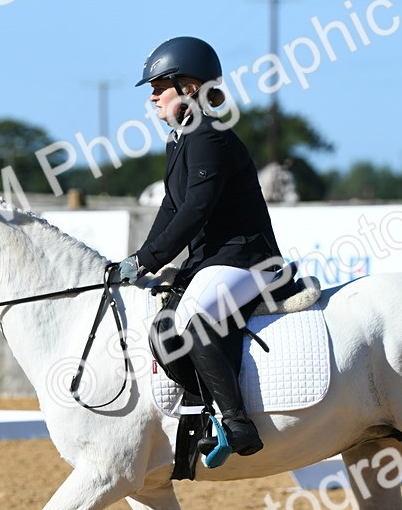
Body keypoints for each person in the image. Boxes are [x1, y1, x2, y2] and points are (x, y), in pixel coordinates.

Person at [119, 36, 283, 458]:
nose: (153, 96)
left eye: (161, 86)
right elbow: (171, 206)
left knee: (193, 318)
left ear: (189, 88)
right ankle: (203, 409)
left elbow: (196, 210)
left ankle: (236, 423)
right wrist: (141, 257)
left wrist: (148, 259)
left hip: (247, 259)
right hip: (213, 261)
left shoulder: (210, 134)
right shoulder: (180, 140)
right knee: (165, 321)